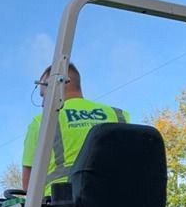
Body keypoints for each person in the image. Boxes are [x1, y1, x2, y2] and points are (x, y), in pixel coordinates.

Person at [21, 63, 129, 195]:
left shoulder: (41, 121)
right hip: (122, 202)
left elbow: (28, 186)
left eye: (43, 95)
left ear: (57, 84)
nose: (43, 104)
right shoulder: (119, 115)